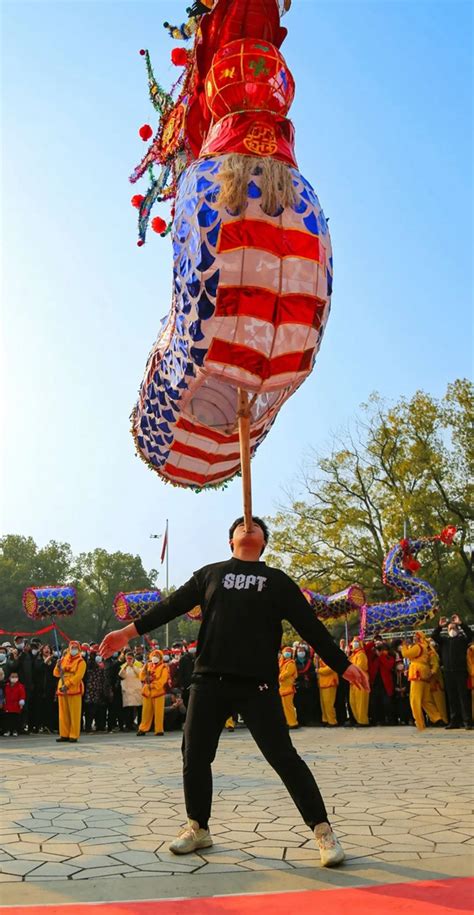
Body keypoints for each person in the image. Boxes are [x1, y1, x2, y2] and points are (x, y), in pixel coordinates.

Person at [99, 515, 369, 868]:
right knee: (194, 754)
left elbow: (310, 628)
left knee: (283, 757)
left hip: (258, 685)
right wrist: (127, 633)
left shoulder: (277, 581)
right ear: (231, 541)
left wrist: (342, 664)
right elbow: (170, 606)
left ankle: (323, 831)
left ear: (263, 542)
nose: (247, 526)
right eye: (241, 525)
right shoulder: (210, 574)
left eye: (254, 525)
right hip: (210, 681)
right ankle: (198, 827)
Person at [431, 615, 472, 729]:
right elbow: (434, 636)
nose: (452, 630)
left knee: (463, 697)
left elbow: (470, 635)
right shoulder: (444, 641)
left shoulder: (462, 640)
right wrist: (439, 626)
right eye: (450, 628)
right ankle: (454, 721)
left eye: (454, 628)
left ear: (458, 630)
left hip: (461, 672)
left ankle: (467, 721)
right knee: (452, 698)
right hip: (448, 673)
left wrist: (461, 623)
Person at [401, 632, 444, 731]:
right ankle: (437, 718)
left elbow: (405, 654)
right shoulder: (425, 647)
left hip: (417, 674)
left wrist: (404, 646)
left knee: (415, 700)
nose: (414, 638)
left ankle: (420, 723)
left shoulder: (418, 647)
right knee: (426, 700)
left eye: (416, 637)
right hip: (424, 673)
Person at [53, 640, 87, 742]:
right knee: (63, 713)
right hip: (62, 688)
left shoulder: (81, 661)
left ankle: (73, 735)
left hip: (74, 688)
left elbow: (78, 676)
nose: (74, 650)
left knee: (74, 714)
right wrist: (57, 666)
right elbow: (56, 674)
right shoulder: (63, 659)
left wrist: (67, 684)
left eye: (76, 648)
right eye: (72, 648)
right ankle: (64, 734)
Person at [137, 649, 169, 736]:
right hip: (147, 691)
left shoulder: (164, 667)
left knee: (158, 712)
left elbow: (163, 679)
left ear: (161, 658)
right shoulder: (147, 665)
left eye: (157, 656)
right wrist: (144, 675)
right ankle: (142, 729)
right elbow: (141, 676)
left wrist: (153, 684)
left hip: (158, 692)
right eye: (154, 656)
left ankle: (159, 730)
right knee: (145, 712)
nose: (155, 658)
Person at [119, 650, 143, 731]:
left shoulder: (139, 665)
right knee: (128, 709)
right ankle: (129, 725)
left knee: (139, 708)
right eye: (127, 658)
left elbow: (140, 674)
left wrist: (132, 666)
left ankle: (140, 725)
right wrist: (125, 667)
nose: (129, 660)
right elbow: (121, 675)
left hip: (136, 689)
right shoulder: (123, 666)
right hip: (127, 690)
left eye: (130, 658)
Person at [348, 637, 369, 726]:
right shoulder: (353, 655)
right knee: (353, 701)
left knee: (361, 702)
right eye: (354, 642)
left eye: (357, 641)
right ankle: (358, 720)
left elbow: (361, 667)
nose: (355, 643)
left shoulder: (361, 654)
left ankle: (363, 721)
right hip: (353, 681)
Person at [279, 646, 299, 728]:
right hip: (283, 688)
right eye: (286, 652)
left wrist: (280, 676)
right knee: (285, 707)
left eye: (289, 652)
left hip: (288, 688)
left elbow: (287, 673)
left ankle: (293, 723)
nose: (287, 653)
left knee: (289, 707)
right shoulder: (282, 663)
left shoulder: (291, 663)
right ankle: (288, 722)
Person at [3, 671, 26, 736]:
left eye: (16, 677)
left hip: (16, 705)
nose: (14, 678)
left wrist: (21, 701)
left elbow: (22, 695)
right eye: (12, 677)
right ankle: (8, 730)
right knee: (8, 719)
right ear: (9, 677)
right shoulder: (6, 686)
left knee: (15, 719)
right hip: (8, 705)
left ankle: (14, 730)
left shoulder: (20, 686)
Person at [317, 658, 338, 727]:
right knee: (323, 704)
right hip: (322, 683)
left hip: (330, 683)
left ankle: (332, 721)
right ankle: (325, 719)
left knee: (329, 703)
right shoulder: (319, 658)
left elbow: (329, 669)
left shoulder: (331, 656)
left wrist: (319, 670)